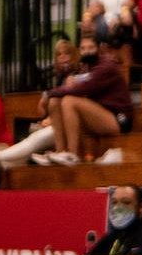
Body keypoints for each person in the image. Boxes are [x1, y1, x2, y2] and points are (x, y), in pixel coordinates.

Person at [36, 38, 129, 166]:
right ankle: (60, 151)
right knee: (54, 101)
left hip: (118, 118)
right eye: (83, 48)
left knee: (69, 101)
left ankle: (72, 154)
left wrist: (47, 93)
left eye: (91, 48)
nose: (87, 52)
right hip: (99, 114)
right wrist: (53, 94)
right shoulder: (84, 68)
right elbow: (71, 88)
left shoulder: (106, 66)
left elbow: (83, 88)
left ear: (99, 49)